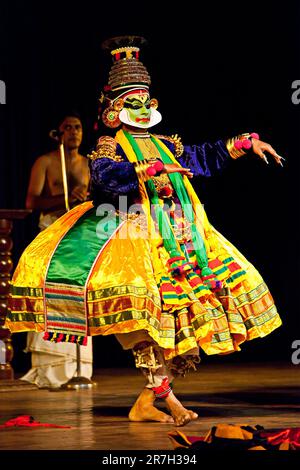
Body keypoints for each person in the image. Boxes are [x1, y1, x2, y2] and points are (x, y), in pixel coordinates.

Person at [6, 36, 283, 423]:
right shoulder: (109, 146)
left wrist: (244, 143)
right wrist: (148, 169)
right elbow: (105, 178)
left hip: (182, 235)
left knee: (183, 317)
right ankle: (165, 399)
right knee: (141, 316)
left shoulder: (165, 142)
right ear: (116, 109)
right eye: (131, 102)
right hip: (130, 236)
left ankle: (148, 400)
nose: (141, 107)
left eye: (145, 101)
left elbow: (204, 156)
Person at [20, 112, 93, 389]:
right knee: (51, 293)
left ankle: (79, 366)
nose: (74, 131)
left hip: (79, 235)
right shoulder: (47, 162)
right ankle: (50, 365)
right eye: (68, 127)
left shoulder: (88, 165)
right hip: (52, 231)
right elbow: (31, 202)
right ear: (59, 132)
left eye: (78, 127)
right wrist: (62, 199)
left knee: (78, 295)